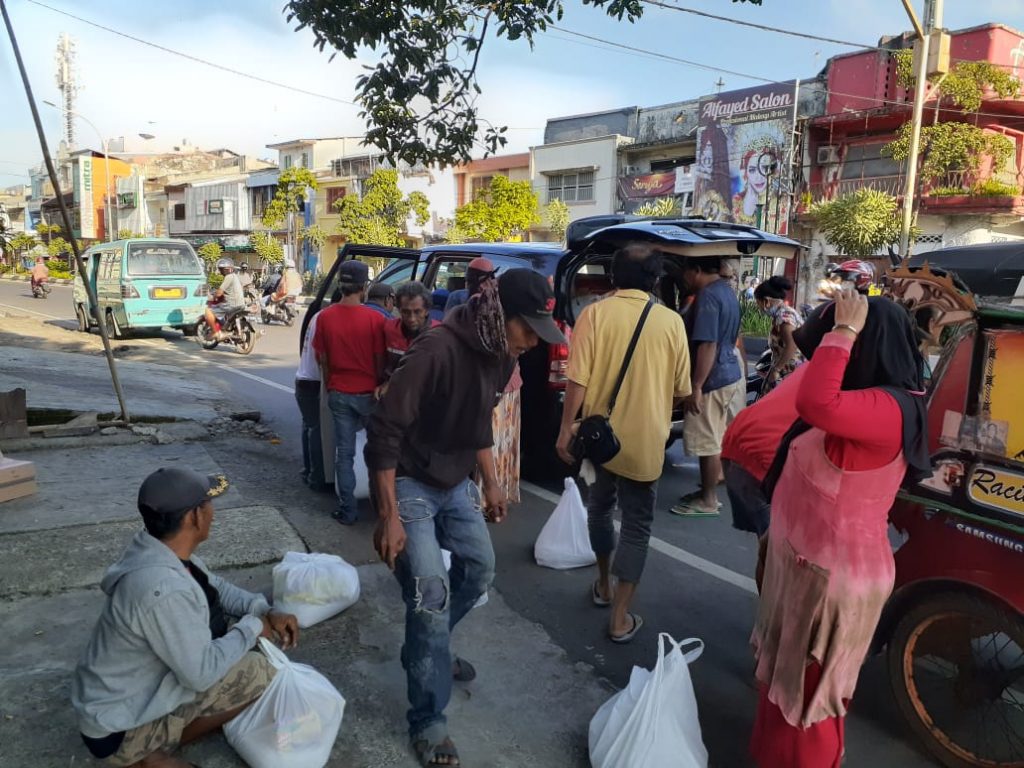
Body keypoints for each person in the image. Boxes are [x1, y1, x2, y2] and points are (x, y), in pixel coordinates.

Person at [366, 269, 565, 768]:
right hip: (410, 480)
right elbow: (384, 431)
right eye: (530, 331)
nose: (534, 345)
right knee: (429, 595)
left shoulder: (501, 354)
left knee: (479, 571)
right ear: (504, 317)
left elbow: (479, 422)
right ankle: (429, 722)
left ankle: (427, 649)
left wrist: (492, 480)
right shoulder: (436, 350)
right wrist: (388, 515)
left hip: (457, 483)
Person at [750, 292, 930, 768]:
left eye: (847, 342)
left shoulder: (889, 408)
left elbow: (814, 401)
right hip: (810, 569)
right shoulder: (870, 402)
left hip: (831, 580)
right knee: (787, 693)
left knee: (809, 708)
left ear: (865, 345)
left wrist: (844, 329)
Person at [72, 467, 300, 768]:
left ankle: (152, 743)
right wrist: (252, 628)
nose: (213, 513)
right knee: (264, 671)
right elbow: (201, 674)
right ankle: (143, 756)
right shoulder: (162, 589)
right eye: (209, 504)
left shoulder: (161, 551)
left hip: (118, 699)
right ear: (194, 516)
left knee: (247, 648)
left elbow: (216, 587)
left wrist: (263, 611)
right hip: (116, 728)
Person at [556, 243, 691, 643]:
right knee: (637, 526)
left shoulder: (594, 315)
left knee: (599, 508)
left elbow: (576, 380)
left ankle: (602, 583)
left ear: (613, 277)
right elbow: (682, 391)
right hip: (646, 444)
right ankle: (619, 617)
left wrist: (566, 430)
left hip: (599, 441)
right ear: (655, 280)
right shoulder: (671, 323)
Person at [313, 260, 387, 525]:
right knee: (380, 452)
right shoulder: (375, 319)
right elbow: (380, 359)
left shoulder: (325, 316)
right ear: (364, 287)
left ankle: (348, 510)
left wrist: (331, 385)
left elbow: (323, 359)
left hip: (339, 393)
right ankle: (384, 508)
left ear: (340, 285)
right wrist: (379, 385)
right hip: (370, 394)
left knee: (344, 454)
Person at [672, 256, 743, 517]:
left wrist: (697, 386)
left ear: (697, 270)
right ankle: (707, 493)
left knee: (707, 441)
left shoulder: (708, 297)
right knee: (715, 436)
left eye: (685, 273)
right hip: (728, 372)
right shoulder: (726, 291)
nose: (684, 280)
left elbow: (707, 344)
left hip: (713, 377)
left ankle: (709, 499)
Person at [295, 307, 328, 492]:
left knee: (308, 426)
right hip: (314, 382)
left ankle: (308, 471)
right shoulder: (326, 318)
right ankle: (316, 477)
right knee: (316, 429)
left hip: (303, 379)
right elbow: (321, 355)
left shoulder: (317, 315)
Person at [755, 276, 804, 395]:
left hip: (788, 373)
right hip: (788, 371)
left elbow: (792, 345)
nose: (758, 307)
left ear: (766, 301)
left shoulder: (783, 317)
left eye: (758, 303)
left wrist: (777, 370)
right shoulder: (784, 313)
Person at [383, 281, 438, 383]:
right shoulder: (389, 329)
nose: (411, 319)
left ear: (427, 310)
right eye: (406, 312)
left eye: (417, 312)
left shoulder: (440, 334)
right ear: (399, 310)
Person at [203, 258, 245, 340]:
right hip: (241, 304)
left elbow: (219, 293)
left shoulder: (228, 277)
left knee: (208, 311)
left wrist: (213, 297)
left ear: (224, 270)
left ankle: (215, 332)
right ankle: (225, 327)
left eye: (221, 270)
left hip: (231, 305)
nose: (221, 272)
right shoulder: (235, 276)